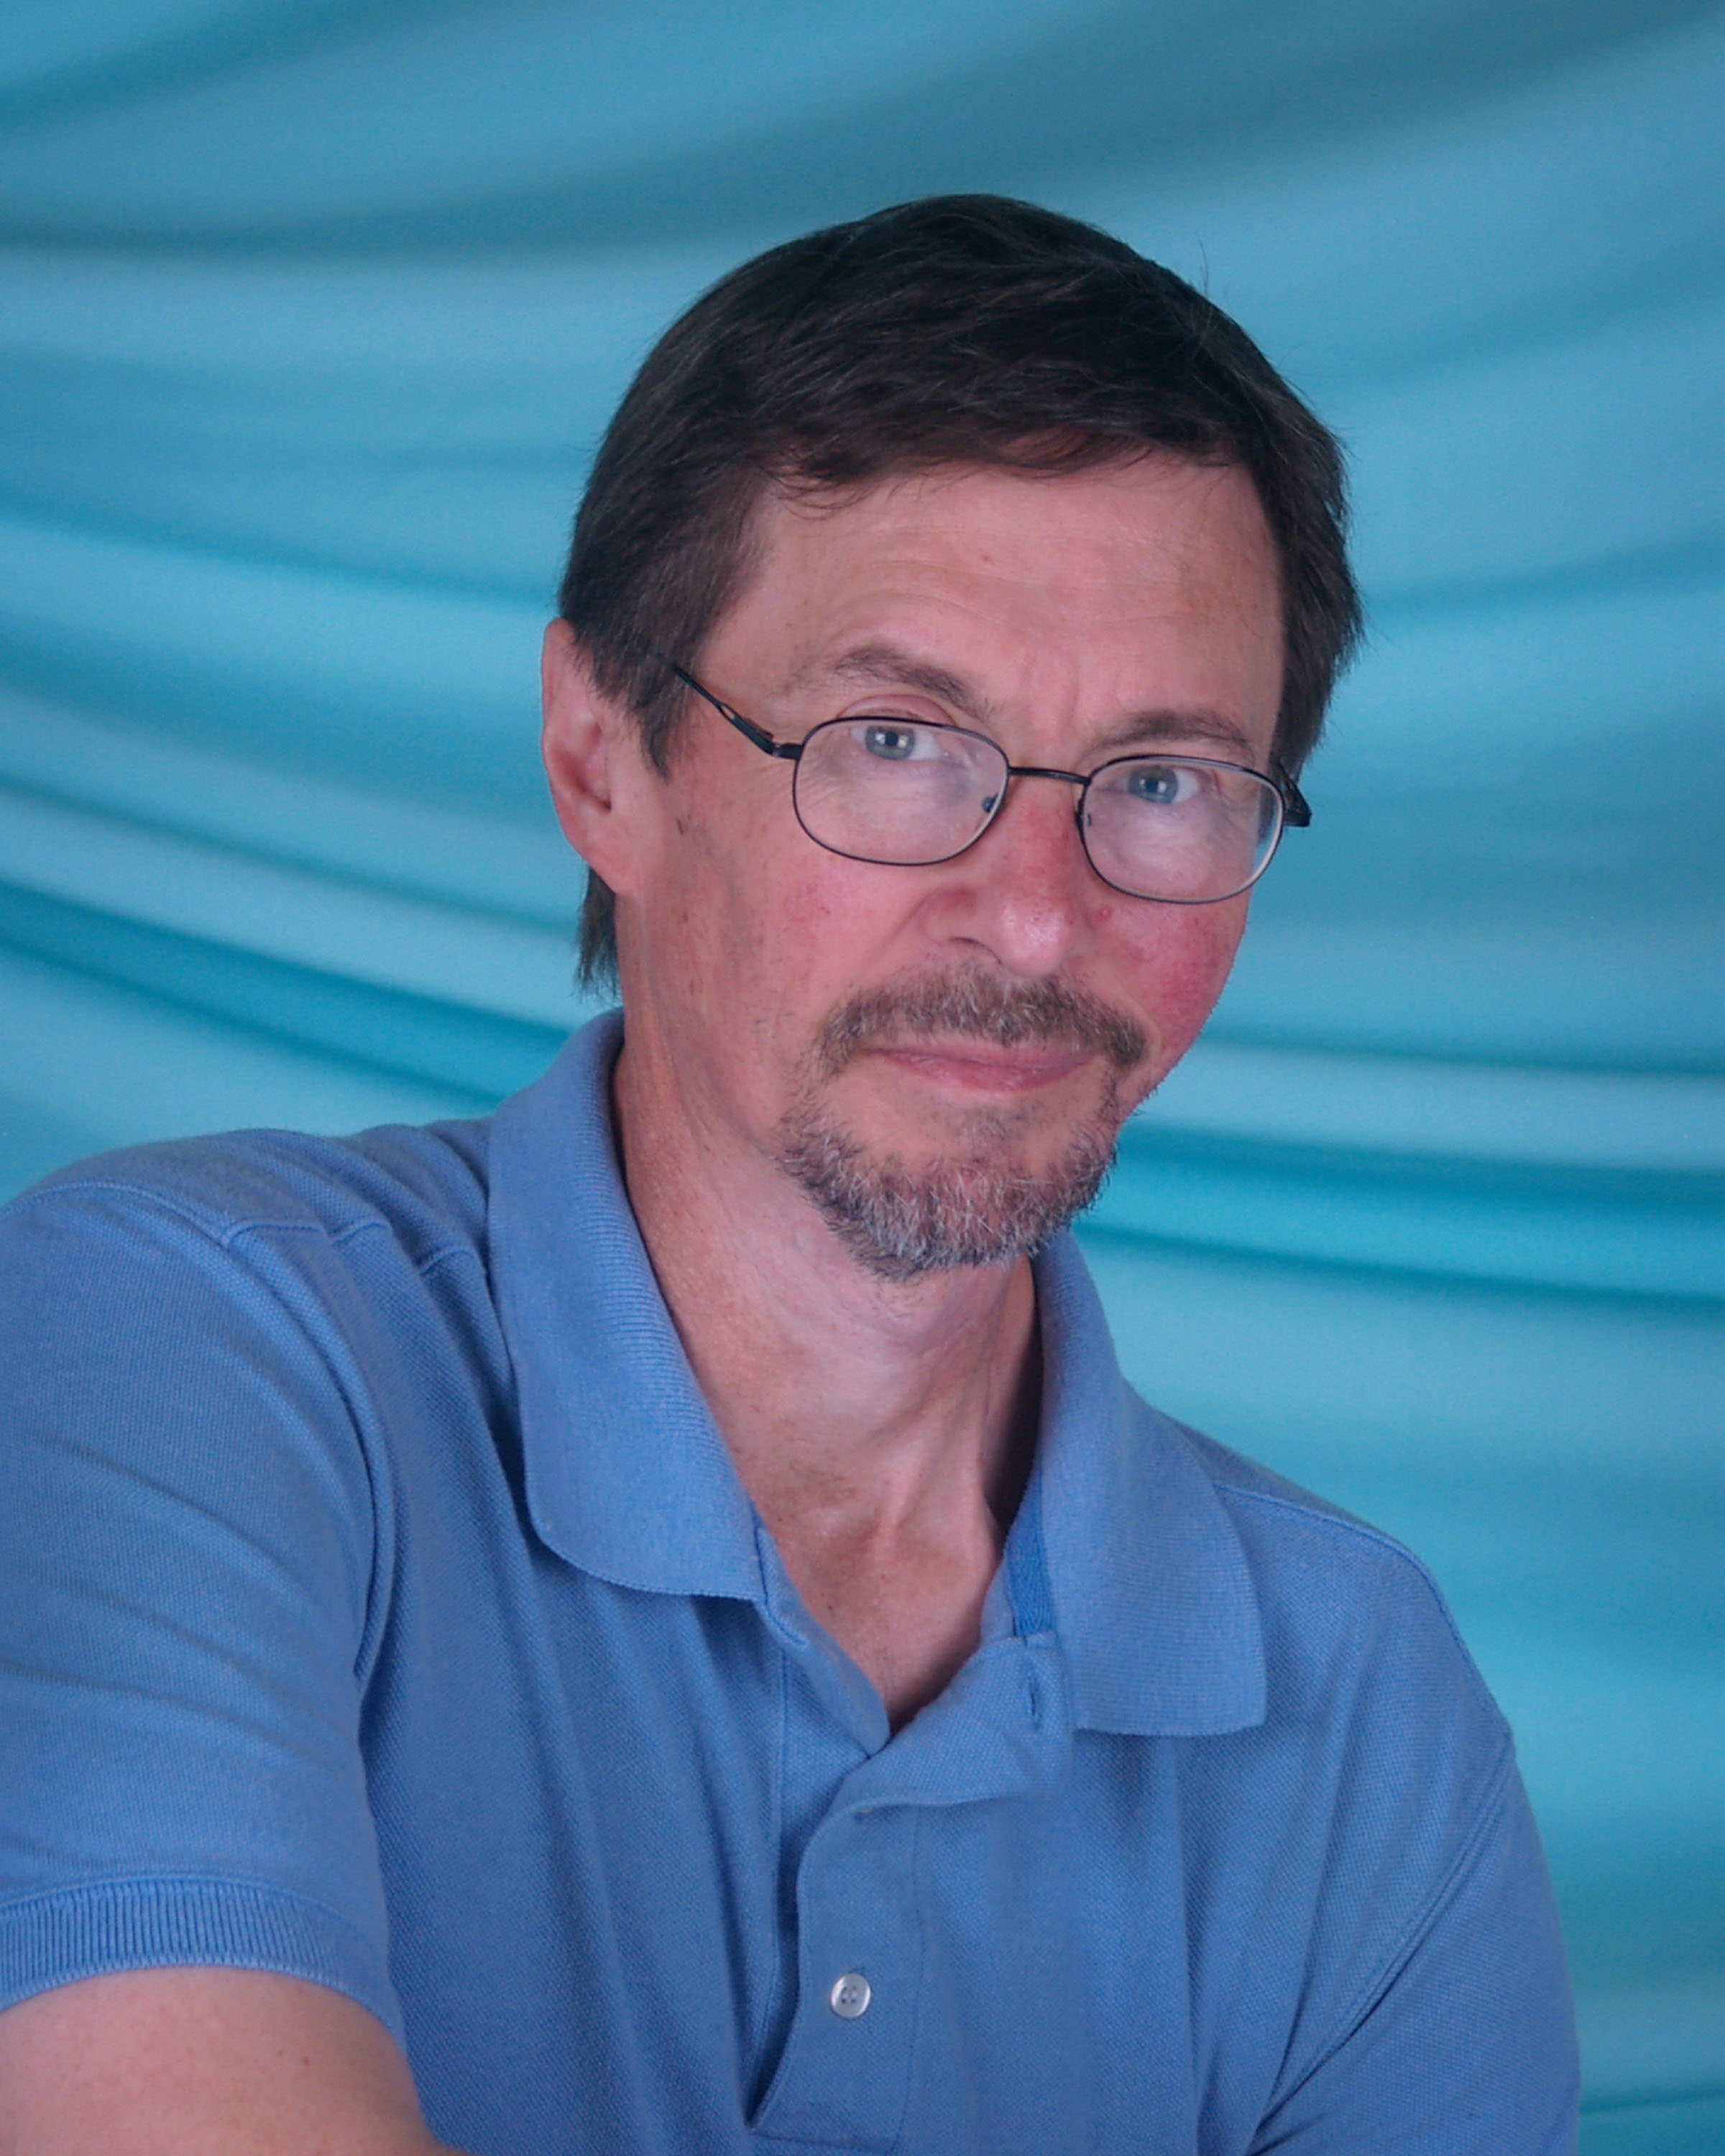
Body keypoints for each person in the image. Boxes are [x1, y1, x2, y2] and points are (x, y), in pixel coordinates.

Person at [0, 196, 1577, 2153]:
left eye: (1164, 782)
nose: (1033, 920)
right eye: (899, 740)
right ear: (603, 762)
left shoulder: (1364, 1706)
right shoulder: (180, 1350)